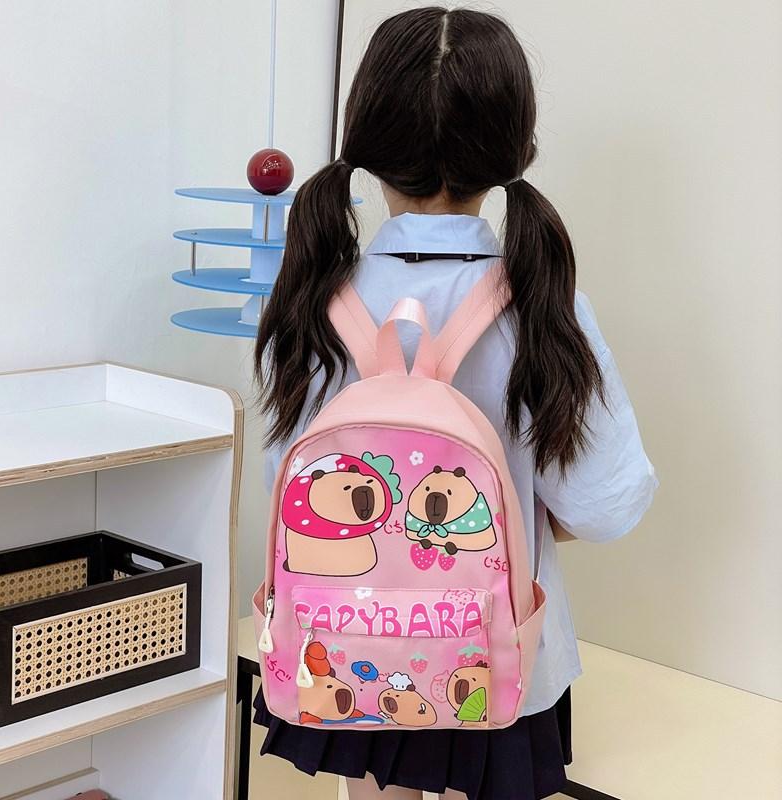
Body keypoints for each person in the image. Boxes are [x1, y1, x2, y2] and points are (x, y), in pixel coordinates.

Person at [252, 6, 658, 800]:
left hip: (344, 646)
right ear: (513, 145)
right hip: (498, 655)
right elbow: (607, 505)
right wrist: (510, 518)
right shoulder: (543, 306)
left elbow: (287, 490)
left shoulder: (308, 298)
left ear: (368, 139)